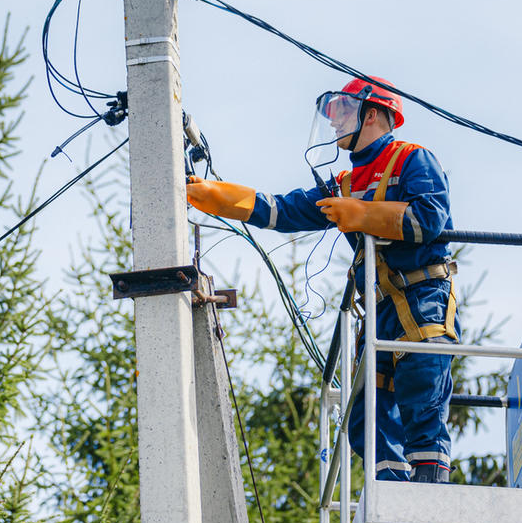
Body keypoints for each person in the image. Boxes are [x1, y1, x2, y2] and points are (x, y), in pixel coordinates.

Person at [186, 77, 459, 483]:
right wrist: (214, 196)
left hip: (423, 297)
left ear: (372, 114)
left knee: (421, 387)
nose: (334, 125)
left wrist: (364, 213)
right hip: (381, 307)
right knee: (366, 411)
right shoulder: (345, 184)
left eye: (342, 113)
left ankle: (428, 494)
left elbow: (430, 220)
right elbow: (282, 210)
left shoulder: (411, 159)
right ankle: (392, 493)